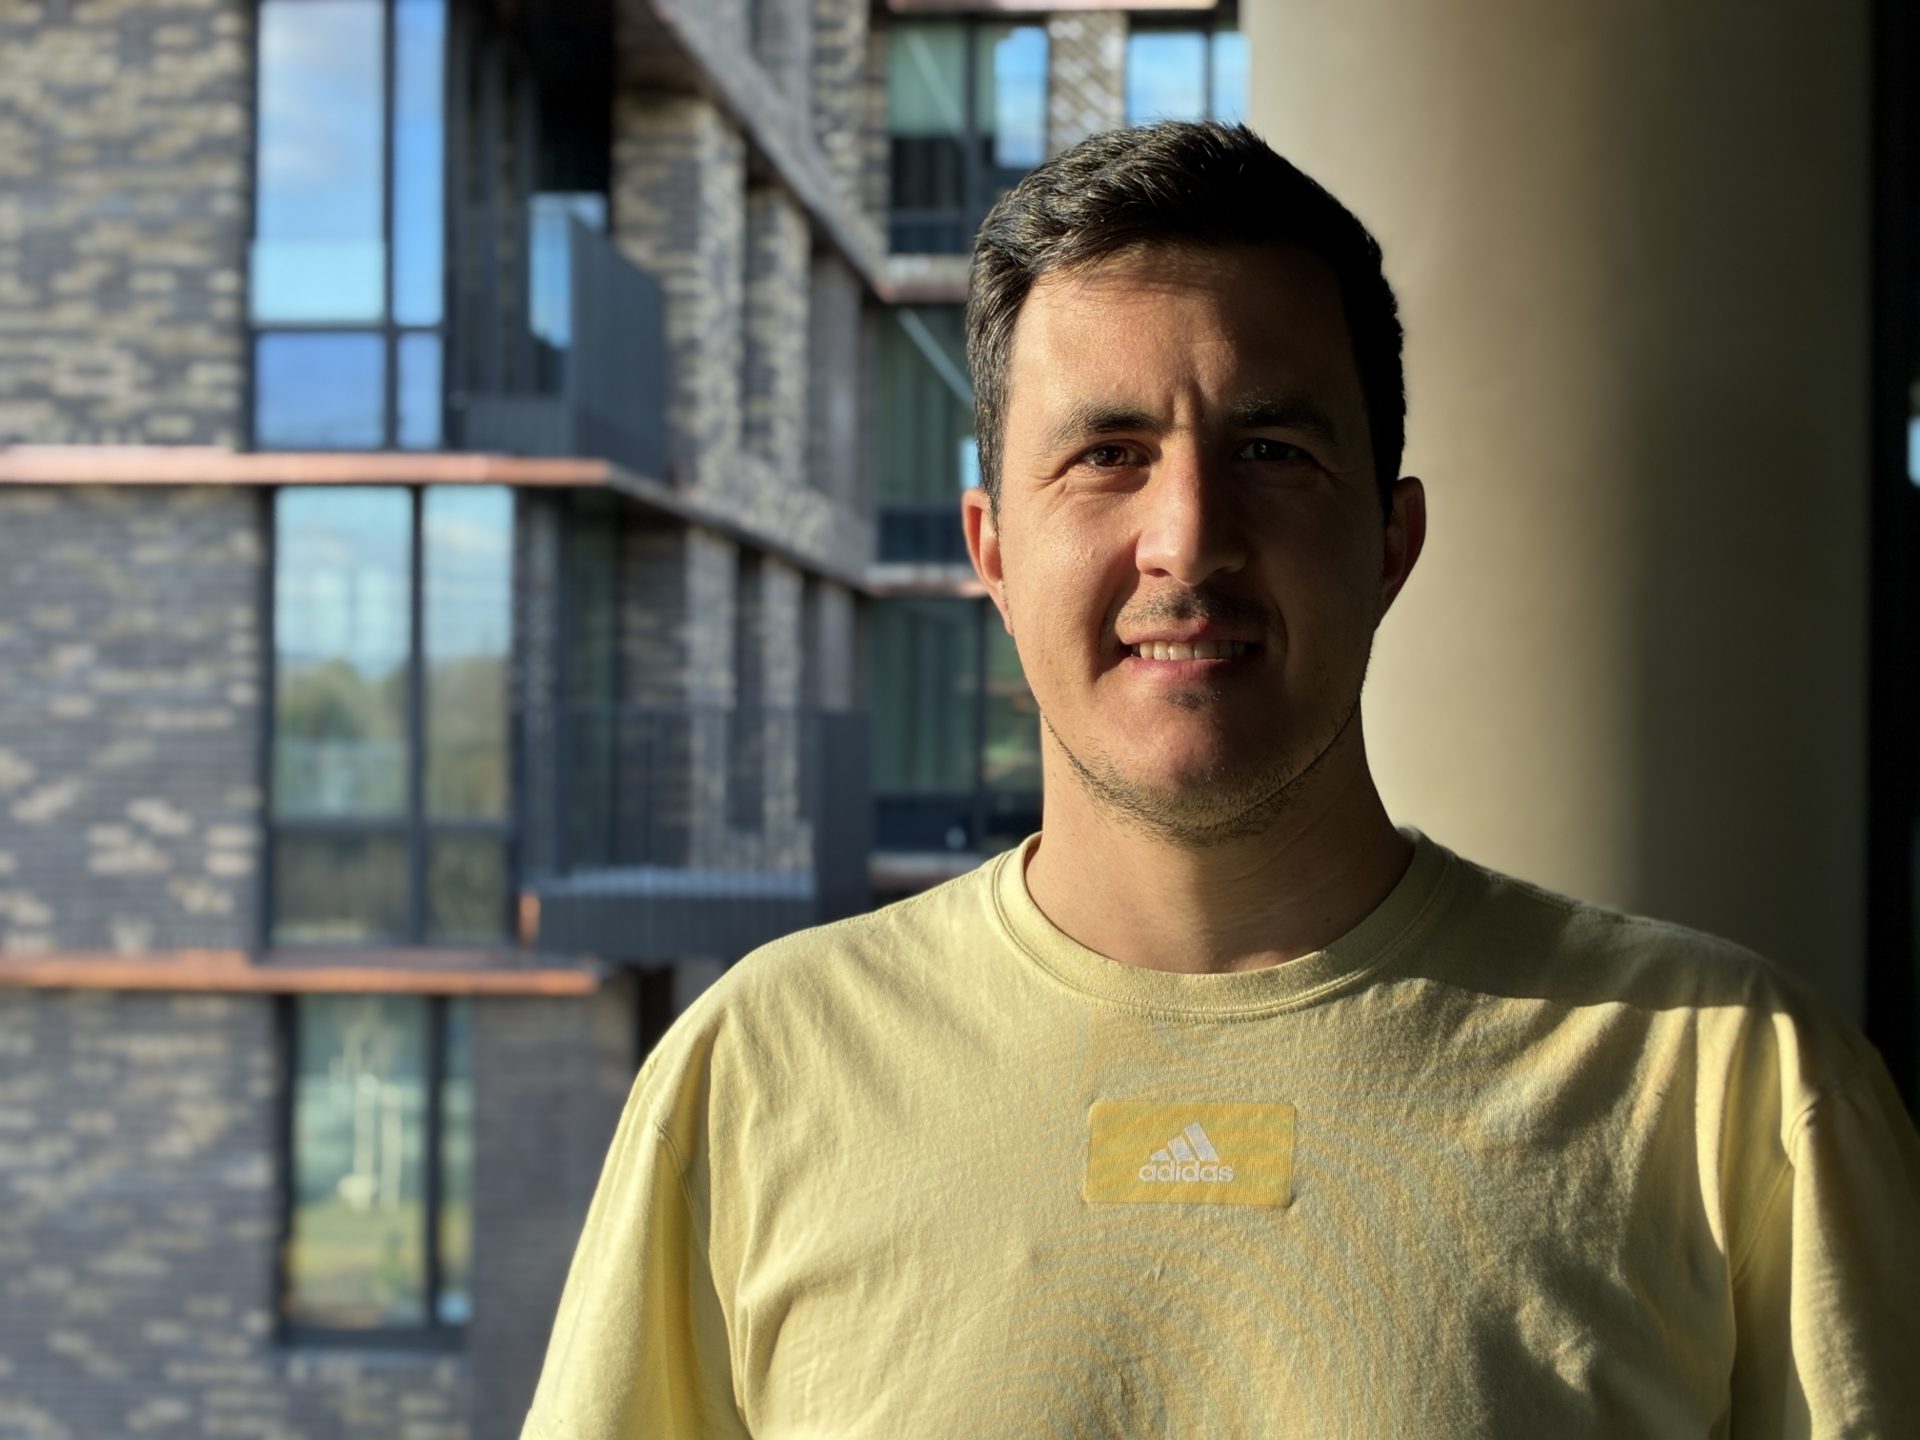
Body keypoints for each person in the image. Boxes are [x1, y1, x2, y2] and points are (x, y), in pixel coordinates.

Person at [521, 122, 1920, 1437]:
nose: (1188, 538)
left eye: (1271, 452)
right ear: (991, 549)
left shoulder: (1733, 1086)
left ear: (1390, 543)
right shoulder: (755, 1076)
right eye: (1108, 456)